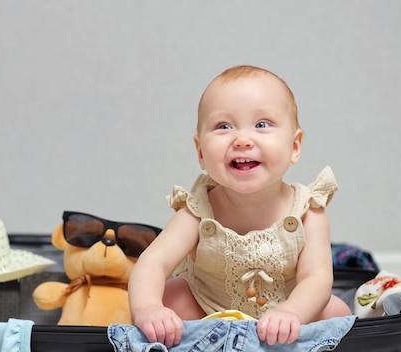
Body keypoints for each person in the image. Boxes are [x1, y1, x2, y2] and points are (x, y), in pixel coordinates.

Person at [128, 65, 352, 348]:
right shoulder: (197, 210)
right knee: (169, 299)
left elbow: (316, 278)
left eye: (262, 124)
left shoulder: (308, 210)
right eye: (224, 126)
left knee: (337, 313)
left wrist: (291, 312)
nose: (242, 139)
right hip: (206, 309)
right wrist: (148, 308)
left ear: (295, 146)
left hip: (288, 313)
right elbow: (153, 262)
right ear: (200, 152)